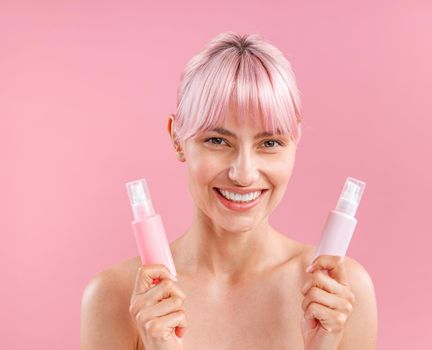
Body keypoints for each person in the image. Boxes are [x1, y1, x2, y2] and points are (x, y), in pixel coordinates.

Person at [80, 32, 377, 350]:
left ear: (295, 140)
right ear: (177, 138)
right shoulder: (115, 297)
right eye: (218, 141)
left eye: (270, 143)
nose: (243, 173)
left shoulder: (340, 296)